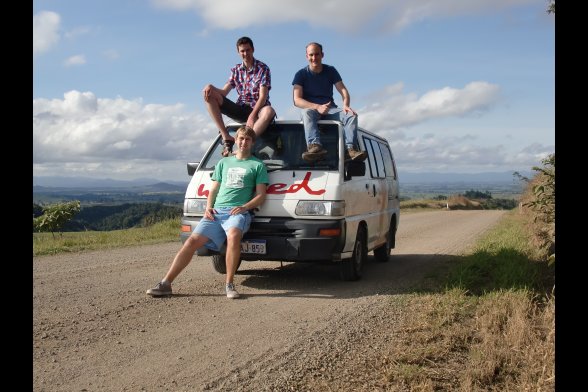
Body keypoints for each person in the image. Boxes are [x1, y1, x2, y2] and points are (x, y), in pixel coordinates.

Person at [146, 126, 269, 299]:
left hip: (237, 213)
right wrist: (208, 207)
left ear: (252, 143)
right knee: (191, 242)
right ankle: (165, 283)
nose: (243, 142)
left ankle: (229, 285)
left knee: (234, 235)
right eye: (241, 138)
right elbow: (213, 190)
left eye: (247, 139)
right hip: (216, 212)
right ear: (236, 140)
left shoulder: (257, 165)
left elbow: (261, 196)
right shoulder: (223, 163)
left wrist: (245, 207)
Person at [292, 42, 367, 162]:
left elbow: (343, 90)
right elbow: (297, 100)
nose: (314, 58)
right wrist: (317, 107)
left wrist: (346, 105)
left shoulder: (331, 70)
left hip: (330, 109)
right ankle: (315, 146)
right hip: (311, 110)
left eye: (317, 54)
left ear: (322, 55)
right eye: (311, 55)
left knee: (351, 115)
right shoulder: (300, 74)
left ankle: (350, 150)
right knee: (306, 113)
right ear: (307, 56)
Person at [203, 36, 276, 157]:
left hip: (258, 109)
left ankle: (247, 143)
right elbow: (224, 92)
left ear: (253, 50)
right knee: (209, 95)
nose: (245, 53)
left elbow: (263, 97)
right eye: (242, 51)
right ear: (238, 52)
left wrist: (252, 116)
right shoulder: (235, 70)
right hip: (241, 107)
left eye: (247, 50)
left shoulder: (263, 68)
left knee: (269, 111)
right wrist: (211, 87)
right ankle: (226, 136)